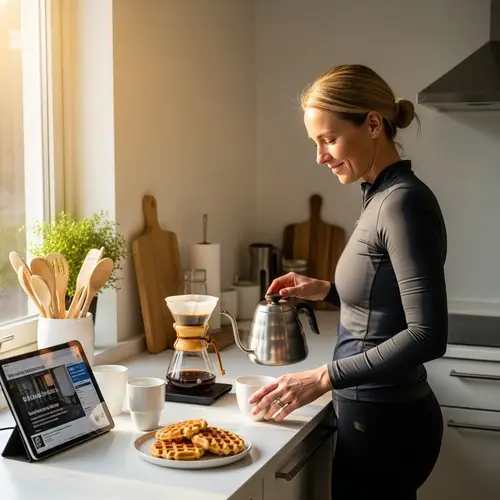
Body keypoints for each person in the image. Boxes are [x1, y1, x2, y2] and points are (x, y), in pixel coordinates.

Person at [248, 64, 447, 500]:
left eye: (328, 138)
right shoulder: (378, 195)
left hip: (386, 425)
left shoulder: (402, 204)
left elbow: (427, 335)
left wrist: (323, 376)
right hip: (375, 416)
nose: (320, 156)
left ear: (373, 123)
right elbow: (388, 297)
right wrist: (324, 290)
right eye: (315, 142)